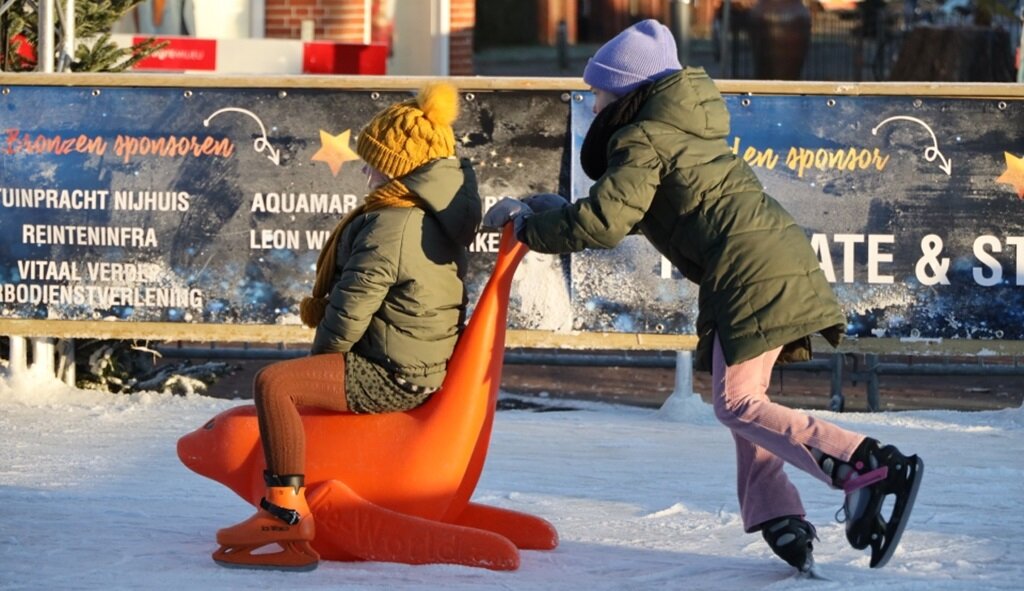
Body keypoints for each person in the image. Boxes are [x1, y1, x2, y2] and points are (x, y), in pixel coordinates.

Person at [484, 19, 923, 574]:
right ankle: (780, 516)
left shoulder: (642, 138)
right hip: (763, 264)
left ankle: (866, 463)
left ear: (626, 93)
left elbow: (604, 224)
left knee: (737, 404)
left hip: (750, 272)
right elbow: (634, 212)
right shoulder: (680, 131)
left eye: (600, 93)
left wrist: (528, 228)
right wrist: (552, 212)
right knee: (746, 403)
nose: (593, 106)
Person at [215, 81, 482, 571]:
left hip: (391, 374)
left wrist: (317, 368)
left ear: (398, 168)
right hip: (409, 362)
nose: (365, 171)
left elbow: (349, 309)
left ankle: (284, 513)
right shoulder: (429, 213)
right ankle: (284, 509)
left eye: (373, 163)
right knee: (285, 383)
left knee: (275, 384)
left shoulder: (393, 224)